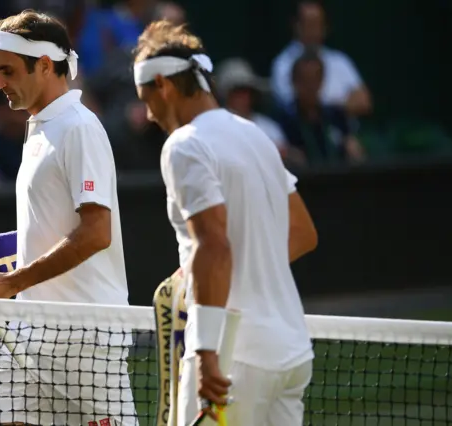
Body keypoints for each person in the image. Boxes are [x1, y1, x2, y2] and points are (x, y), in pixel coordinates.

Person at [132, 21, 318, 425]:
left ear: (162, 84)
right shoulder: (254, 134)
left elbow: (213, 246)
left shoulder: (184, 144)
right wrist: (249, 264)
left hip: (236, 356)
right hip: (290, 351)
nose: (148, 113)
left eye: (145, 98)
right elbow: (303, 233)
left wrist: (207, 350)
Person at [0, 10, 136, 426]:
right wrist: (9, 252)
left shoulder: (79, 128)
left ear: (43, 65)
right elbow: (58, 224)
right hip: (31, 328)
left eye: (8, 71)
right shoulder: (39, 126)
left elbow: (95, 233)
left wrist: (13, 281)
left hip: (87, 336)